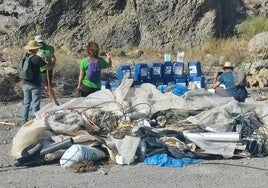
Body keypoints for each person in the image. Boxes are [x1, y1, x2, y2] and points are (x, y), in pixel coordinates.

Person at [21, 40, 53, 124]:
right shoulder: (36, 58)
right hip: (35, 84)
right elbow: (48, 67)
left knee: (26, 103)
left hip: (25, 82)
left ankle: (24, 120)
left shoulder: (24, 56)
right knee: (35, 103)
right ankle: (36, 120)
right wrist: (51, 62)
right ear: (34, 49)